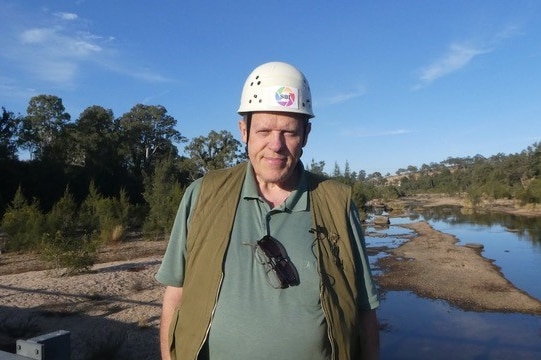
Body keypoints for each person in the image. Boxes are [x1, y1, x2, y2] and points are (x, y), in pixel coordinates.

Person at [155, 61, 380, 360]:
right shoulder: (203, 195)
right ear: (243, 130)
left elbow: (364, 311)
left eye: (289, 132)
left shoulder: (336, 202)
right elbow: (175, 296)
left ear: (306, 135)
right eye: (263, 130)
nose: (276, 145)